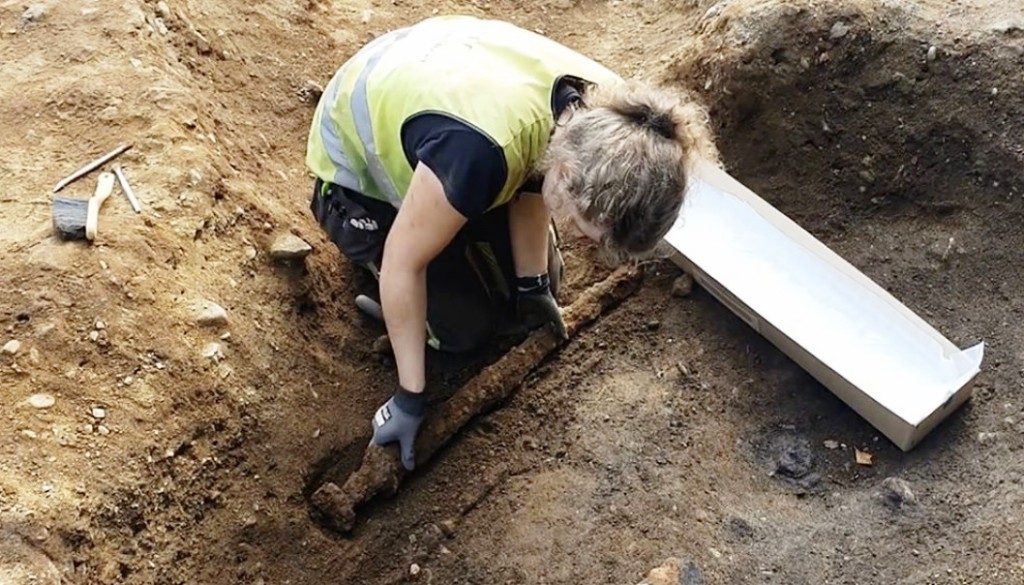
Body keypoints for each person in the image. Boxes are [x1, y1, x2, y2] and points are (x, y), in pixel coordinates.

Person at [305, 15, 718, 470]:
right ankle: (381, 266)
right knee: (462, 331)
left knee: (541, 281)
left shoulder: (616, 122)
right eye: (585, 228)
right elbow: (406, 263)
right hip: (357, 171)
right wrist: (409, 396)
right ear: (564, 174)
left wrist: (533, 286)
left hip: (449, 107)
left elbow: (533, 173)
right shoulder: (480, 154)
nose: (586, 243)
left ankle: (488, 261)